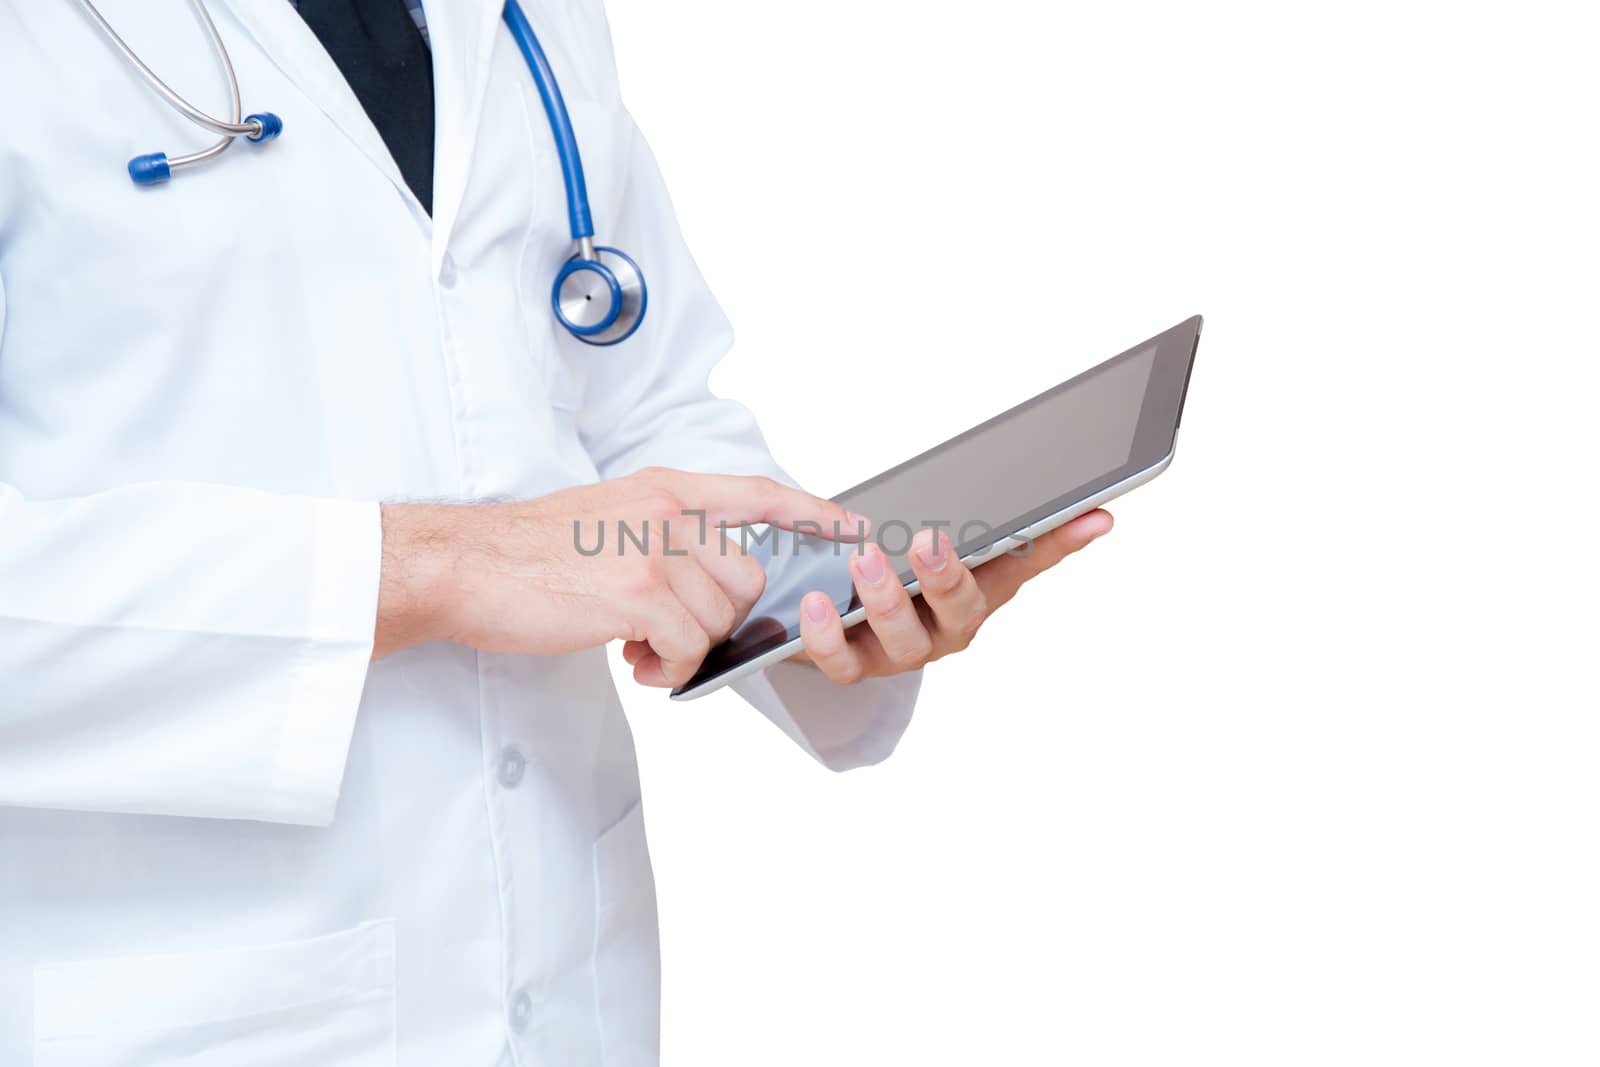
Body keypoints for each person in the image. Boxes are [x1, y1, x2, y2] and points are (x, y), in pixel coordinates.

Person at [0, 1, 1113, 1063]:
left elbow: (643, 405)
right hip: (182, 994)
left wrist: (816, 601)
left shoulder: (534, 17)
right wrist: (437, 568)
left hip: (565, 982)